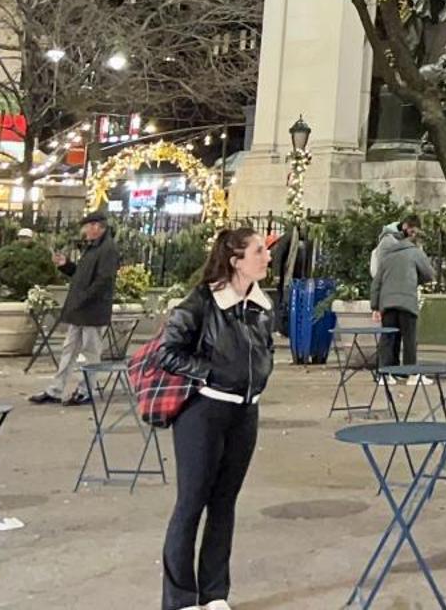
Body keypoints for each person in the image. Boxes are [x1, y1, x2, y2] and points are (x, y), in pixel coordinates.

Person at [156, 226, 276, 610]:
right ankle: (180, 598)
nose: (267, 256)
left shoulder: (261, 305)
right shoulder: (202, 302)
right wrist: (210, 373)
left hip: (245, 411)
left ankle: (215, 594)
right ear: (235, 259)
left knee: (225, 503)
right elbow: (168, 351)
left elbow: (264, 348)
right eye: (259, 251)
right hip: (203, 412)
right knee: (191, 502)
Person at [31, 210, 119, 406]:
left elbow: (104, 280)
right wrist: (66, 265)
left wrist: (84, 298)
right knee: (68, 349)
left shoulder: (107, 249)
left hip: (92, 310)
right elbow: (81, 275)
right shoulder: (93, 248)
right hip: (80, 308)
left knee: (90, 351)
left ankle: (85, 390)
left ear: (97, 227)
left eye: (87, 227)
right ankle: (56, 389)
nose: (85, 231)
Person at [371, 216, 435, 365]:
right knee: (409, 338)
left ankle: (386, 372)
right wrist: (414, 280)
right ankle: (409, 372)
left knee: (388, 338)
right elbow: (429, 274)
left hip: (387, 301)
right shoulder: (415, 252)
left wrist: (375, 305)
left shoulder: (388, 252)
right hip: (407, 301)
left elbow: (377, 281)